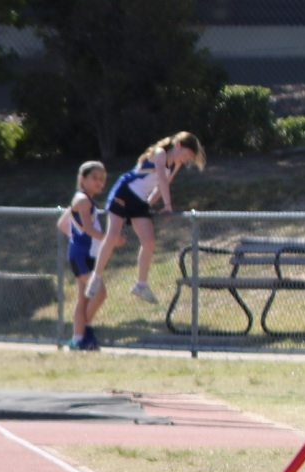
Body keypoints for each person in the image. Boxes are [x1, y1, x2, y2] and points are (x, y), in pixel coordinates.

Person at [91, 131, 204, 308]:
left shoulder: (174, 164)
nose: (187, 158)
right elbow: (161, 179)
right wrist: (168, 205)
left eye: (190, 157)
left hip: (139, 201)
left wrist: (148, 206)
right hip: (124, 193)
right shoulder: (160, 153)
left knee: (149, 242)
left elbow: (160, 187)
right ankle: (96, 278)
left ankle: (141, 285)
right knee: (112, 236)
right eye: (187, 154)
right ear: (178, 145)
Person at [58, 160, 108, 350]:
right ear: (83, 179)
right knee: (100, 293)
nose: (99, 182)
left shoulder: (82, 200)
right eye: (94, 178)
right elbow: (88, 228)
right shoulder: (83, 200)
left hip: (88, 254)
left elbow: (62, 224)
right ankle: (86, 329)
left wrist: (76, 235)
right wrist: (109, 239)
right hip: (81, 256)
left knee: (84, 298)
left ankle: (78, 339)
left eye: (101, 179)